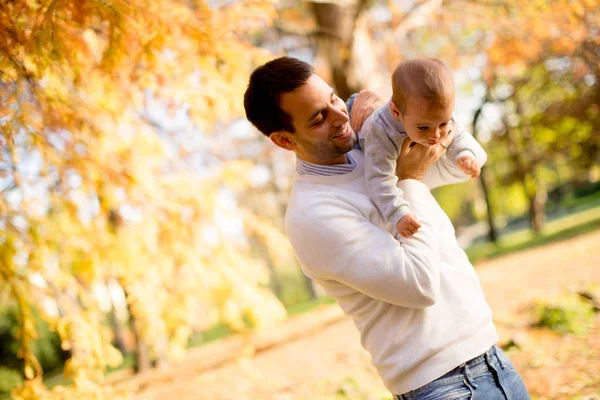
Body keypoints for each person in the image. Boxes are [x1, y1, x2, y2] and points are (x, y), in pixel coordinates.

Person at [244, 56, 530, 400]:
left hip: (491, 357)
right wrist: (409, 180)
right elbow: (419, 286)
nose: (339, 117)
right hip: (443, 386)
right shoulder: (312, 215)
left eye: (334, 99)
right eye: (319, 118)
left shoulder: (370, 150)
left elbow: (456, 166)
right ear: (285, 140)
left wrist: (388, 108)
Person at [361, 57, 485, 238]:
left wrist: (463, 154)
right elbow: (378, 179)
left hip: (413, 163)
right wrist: (398, 213)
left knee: (477, 155)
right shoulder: (380, 132)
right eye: (423, 127)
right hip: (376, 156)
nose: (435, 135)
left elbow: (456, 133)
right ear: (396, 112)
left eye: (442, 123)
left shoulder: (434, 115)